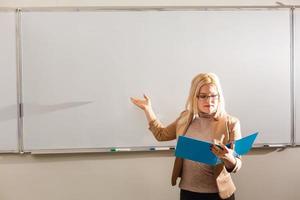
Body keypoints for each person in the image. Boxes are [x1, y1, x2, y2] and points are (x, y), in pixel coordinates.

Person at [130, 73, 241, 200]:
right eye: (203, 96)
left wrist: (227, 157)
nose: (209, 101)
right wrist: (147, 109)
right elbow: (161, 135)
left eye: (213, 96)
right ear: (195, 97)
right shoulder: (185, 118)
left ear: (219, 96)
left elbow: (237, 164)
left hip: (219, 195)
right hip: (189, 193)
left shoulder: (231, 123)